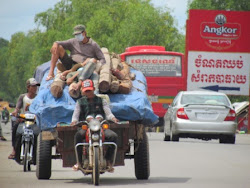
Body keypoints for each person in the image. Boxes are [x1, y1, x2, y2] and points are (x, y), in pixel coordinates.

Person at [71, 79, 118, 172]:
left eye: (90, 90)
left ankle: (108, 160)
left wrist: (113, 118)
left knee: (113, 136)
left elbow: (108, 113)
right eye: (86, 91)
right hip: (86, 126)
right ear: (83, 91)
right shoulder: (80, 102)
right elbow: (75, 115)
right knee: (78, 136)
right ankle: (79, 162)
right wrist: (74, 121)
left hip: (100, 126)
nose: (88, 93)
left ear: (94, 89)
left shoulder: (102, 100)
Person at [46, 24, 106, 92]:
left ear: (84, 33)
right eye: (76, 34)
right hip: (71, 63)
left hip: (83, 67)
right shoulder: (73, 41)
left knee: (92, 61)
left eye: (78, 34)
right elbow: (59, 43)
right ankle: (51, 73)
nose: (77, 36)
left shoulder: (93, 45)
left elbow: (102, 59)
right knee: (57, 47)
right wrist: (55, 43)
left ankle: (78, 82)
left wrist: (95, 64)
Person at [8, 78, 40, 161]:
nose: (35, 88)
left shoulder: (38, 97)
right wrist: (15, 112)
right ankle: (14, 150)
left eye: (36, 86)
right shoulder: (23, 97)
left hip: (35, 120)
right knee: (15, 128)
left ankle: (39, 152)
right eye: (33, 86)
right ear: (28, 87)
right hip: (23, 119)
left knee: (40, 133)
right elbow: (17, 107)